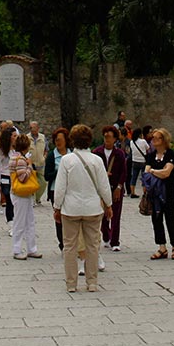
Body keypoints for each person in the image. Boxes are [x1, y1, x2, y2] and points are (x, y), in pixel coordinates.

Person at [54, 124, 114, 292]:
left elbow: (60, 188)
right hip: (92, 208)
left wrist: (57, 207)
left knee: (70, 246)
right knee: (93, 246)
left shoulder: (67, 160)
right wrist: (108, 204)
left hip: (71, 208)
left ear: (72, 140)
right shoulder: (97, 160)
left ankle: (71, 283)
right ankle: (92, 282)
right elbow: (104, 186)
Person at [144, 127, 174, 261]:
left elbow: (166, 173)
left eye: (156, 138)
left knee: (171, 218)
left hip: (169, 192)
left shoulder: (170, 154)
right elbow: (145, 173)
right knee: (157, 219)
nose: (153, 140)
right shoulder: (150, 155)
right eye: (152, 138)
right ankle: (162, 247)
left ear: (163, 140)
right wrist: (155, 171)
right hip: (155, 193)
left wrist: (153, 171)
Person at [94, 125, 127, 252]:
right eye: (105, 137)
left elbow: (123, 172)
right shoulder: (97, 152)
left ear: (114, 139)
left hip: (115, 187)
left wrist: (119, 186)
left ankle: (115, 241)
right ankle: (106, 236)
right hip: (101, 188)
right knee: (102, 214)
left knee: (116, 214)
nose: (107, 139)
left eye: (109, 137)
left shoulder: (119, 154)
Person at [9, 134, 41, 257]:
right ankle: (18, 249)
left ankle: (31, 248)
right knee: (22, 221)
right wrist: (29, 165)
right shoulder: (21, 160)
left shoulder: (14, 157)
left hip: (19, 193)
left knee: (27, 220)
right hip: (22, 194)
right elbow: (22, 177)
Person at [45, 127, 69, 252]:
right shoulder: (51, 156)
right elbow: (46, 176)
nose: (58, 142)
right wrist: (58, 171)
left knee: (70, 218)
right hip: (55, 191)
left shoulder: (72, 154)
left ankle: (71, 243)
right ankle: (62, 244)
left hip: (71, 191)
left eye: (60, 140)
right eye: (56, 140)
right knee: (59, 218)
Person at [0, 125, 16, 227]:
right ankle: (10, 221)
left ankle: (16, 220)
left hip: (15, 177)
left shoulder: (17, 150)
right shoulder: (1, 151)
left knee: (15, 200)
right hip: (5, 176)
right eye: (14, 136)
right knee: (9, 199)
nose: (15, 138)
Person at [28, 122, 48, 206]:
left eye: (33, 127)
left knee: (43, 183)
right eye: (31, 127)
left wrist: (44, 157)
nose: (32, 129)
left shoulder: (42, 137)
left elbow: (46, 149)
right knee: (33, 183)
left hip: (41, 163)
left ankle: (37, 198)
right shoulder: (27, 137)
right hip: (31, 163)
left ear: (37, 128)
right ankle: (33, 199)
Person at [127, 127, 149, 198]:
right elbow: (148, 148)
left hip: (135, 161)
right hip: (143, 161)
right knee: (144, 177)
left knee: (134, 177)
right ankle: (144, 192)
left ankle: (132, 192)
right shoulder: (143, 141)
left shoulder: (131, 142)